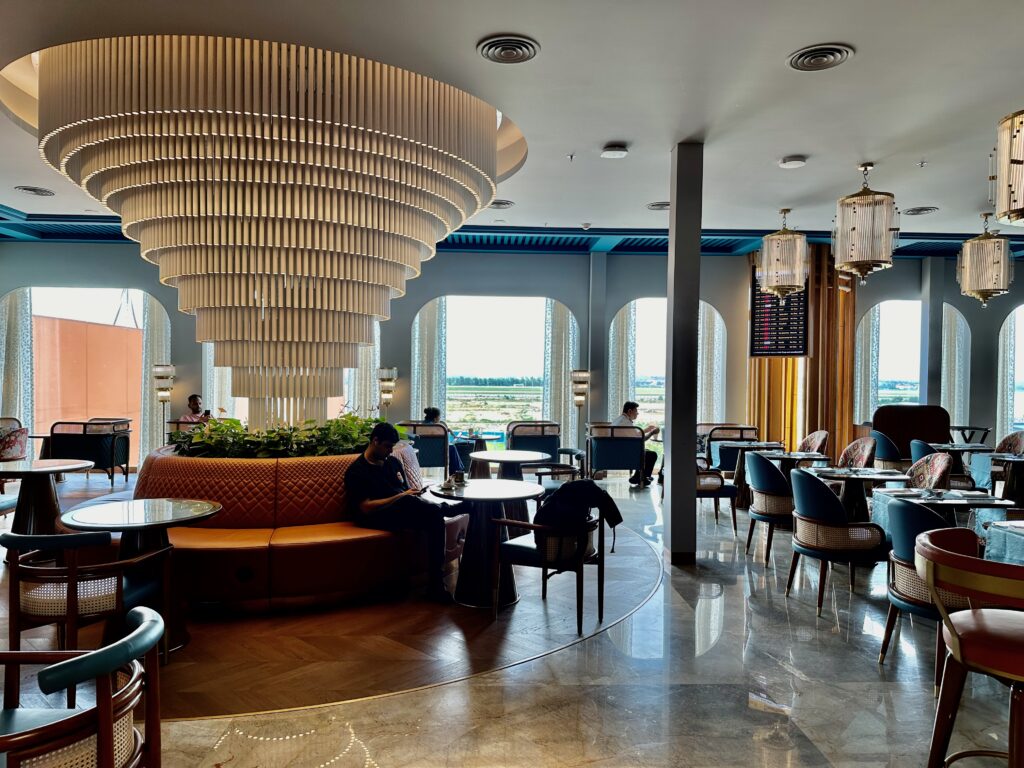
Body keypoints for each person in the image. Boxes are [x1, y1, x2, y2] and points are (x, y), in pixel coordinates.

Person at [344, 422, 463, 603]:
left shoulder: (392, 463)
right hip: (374, 515)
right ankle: (446, 509)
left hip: (402, 510)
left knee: (433, 517)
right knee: (419, 506)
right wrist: (401, 497)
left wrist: (411, 494)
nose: (390, 451)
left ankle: (435, 585)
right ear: (375, 441)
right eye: (387, 446)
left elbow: (405, 490)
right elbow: (365, 507)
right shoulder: (357, 471)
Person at [611, 401, 659, 486]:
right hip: (623, 453)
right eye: (636, 411)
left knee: (647, 452)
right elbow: (640, 439)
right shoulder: (626, 423)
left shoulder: (620, 420)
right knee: (652, 454)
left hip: (617, 449)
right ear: (630, 411)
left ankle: (637, 476)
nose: (637, 413)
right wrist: (651, 433)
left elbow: (635, 435)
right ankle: (641, 478)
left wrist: (647, 430)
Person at [423, 406, 464, 473]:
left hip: (422, 454)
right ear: (435, 418)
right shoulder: (438, 428)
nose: (440, 419)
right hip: (435, 454)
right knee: (452, 448)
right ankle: (457, 473)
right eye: (439, 417)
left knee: (451, 448)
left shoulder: (418, 426)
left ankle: (458, 471)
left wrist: (446, 429)